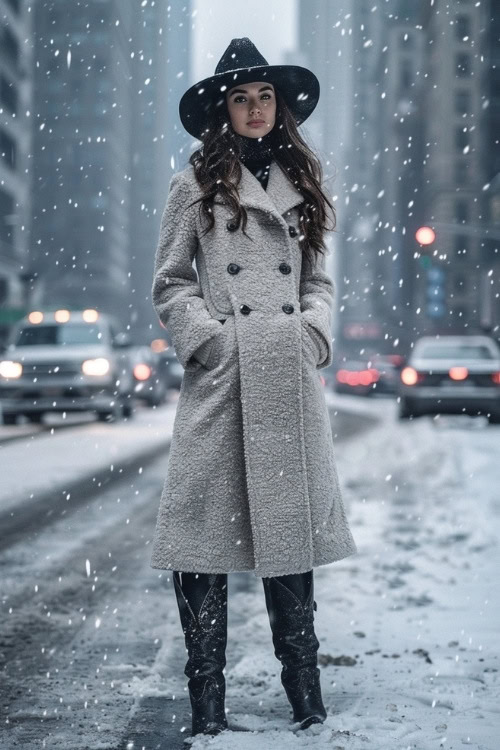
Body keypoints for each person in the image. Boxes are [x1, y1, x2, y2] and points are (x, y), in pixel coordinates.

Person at [150, 37, 358, 738]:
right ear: (224, 110)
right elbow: (172, 282)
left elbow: (318, 282)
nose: (255, 108)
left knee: (287, 538)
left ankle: (306, 695)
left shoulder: (304, 182)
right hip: (225, 379)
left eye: (265, 96)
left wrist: (314, 334)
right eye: (241, 98)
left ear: (280, 107)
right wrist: (210, 341)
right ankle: (207, 701)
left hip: (287, 380)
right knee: (200, 541)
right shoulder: (193, 187)